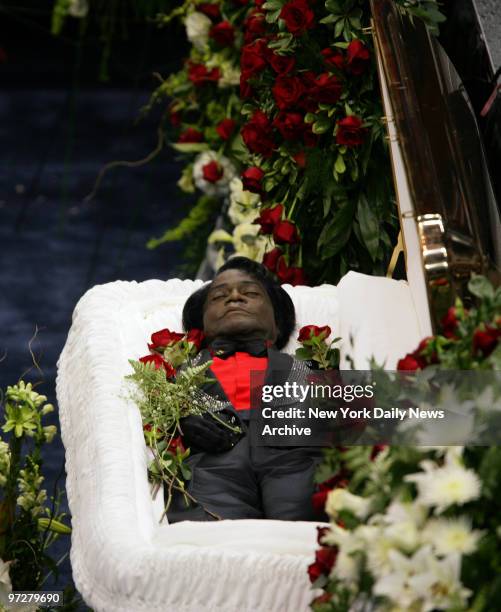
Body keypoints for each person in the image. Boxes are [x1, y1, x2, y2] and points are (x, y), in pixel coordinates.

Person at [167, 257, 324, 523]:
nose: (235, 298)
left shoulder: (304, 370)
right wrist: (181, 422)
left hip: (294, 461)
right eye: (219, 297)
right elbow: (148, 422)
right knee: (213, 540)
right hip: (213, 467)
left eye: (250, 293)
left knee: (304, 533)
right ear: (202, 325)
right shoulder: (183, 374)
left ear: (277, 322)